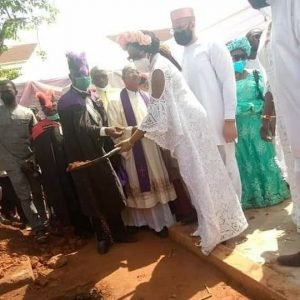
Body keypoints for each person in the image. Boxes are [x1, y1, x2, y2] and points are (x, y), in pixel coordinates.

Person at [116, 30, 248, 255]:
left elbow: (155, 113)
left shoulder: (159, 69)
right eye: (130, 57)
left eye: (135, 54)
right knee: (201, 175)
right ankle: (216, 223)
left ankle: (215, 230)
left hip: (190, 127)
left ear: (147, 49)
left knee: (198, 176)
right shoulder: (160, 64)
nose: (133, 61)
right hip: (191, 123)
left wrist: (131, 140)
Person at [58, 52, 136, 254]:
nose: (84, 78)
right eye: (80, 74)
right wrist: (105, 130)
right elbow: (81, 128)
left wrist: (109, 130)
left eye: (85, 73)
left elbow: (99, 120)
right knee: (90, 195)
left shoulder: (92, 96)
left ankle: (119, 232)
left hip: (99, 151)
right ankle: (102, 237)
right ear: (71, 76)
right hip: (81, 156)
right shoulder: (67, 102)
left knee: (109, 189)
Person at [170, 7, 242, 201]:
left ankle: (238, 215)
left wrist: (229, 120)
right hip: (200, 127)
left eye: (179, 27)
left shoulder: (211, 45)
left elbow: (229, 83)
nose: (176, 33)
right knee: (213, 174)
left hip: (219, 122)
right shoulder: (184, 54)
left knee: (229, 169)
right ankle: (225, 216)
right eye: (174, 29)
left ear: (192, 23)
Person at [248, 0, 300, 267]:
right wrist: (268, 115)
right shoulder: (271, 23)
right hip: (287, 116)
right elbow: (272, 75)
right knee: (297, 176)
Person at [107, 66, 176, 237]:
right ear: (123, 78)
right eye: (130, 73)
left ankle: (161, 222)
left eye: (136, 72)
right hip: (133, 149)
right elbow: (115, 129)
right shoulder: (115, 101)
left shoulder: (147, 97)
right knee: (140, 185)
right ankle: (142, 222)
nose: (135, 75)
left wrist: (149, 130)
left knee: (155, 183)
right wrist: (136, 132)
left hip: (151, 147)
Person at [227, 37, 290, 209]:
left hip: (257, 126)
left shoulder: (256, 75)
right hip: (239, 129)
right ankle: (254, 197)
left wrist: (267, 123)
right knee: (246, 163)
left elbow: (267, 98)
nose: (238, 60)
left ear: (246, 56)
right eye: (234, 57)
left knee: (266, 159)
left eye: (241, 56)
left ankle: (273, 193)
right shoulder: (226, 83)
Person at [32, 91, 91, 235]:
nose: (51, 108)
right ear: (43, 109)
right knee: (67, 196)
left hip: (77, 164)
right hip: (59, 171)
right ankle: (76, 227)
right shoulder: (40, 129)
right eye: (47, 107)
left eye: (53, 105)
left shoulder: (67, 120)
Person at [0, 80, 47, 243]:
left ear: (15, 91)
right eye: (1, 91)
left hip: (29, 159)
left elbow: (36, 138)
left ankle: (46, 221)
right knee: (24, 196)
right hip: (10, 163)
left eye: (7, 90)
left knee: (38, 193)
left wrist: (33, 158)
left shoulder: (27, 113)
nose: (5, 93)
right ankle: (38, 228)